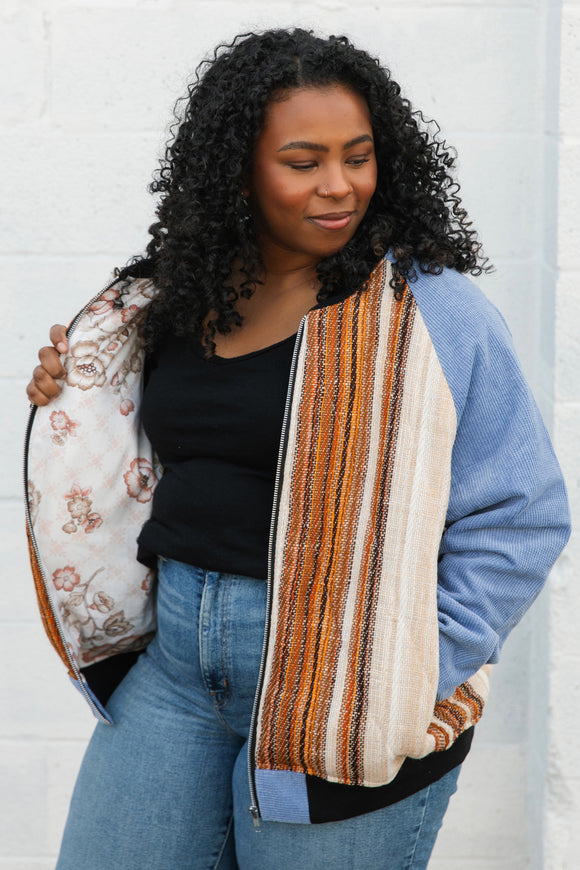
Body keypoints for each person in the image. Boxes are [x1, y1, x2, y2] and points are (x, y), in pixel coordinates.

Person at [24, 28, 570, 870]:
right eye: (303, 161)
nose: (339, 185)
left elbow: (521, 511)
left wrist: (411, 668)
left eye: (358, 156)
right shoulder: (179, 294)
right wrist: (75, 394)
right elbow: (137, 451)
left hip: (341, 684)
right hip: (175, 672)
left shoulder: (431, 312)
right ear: (239, 169)